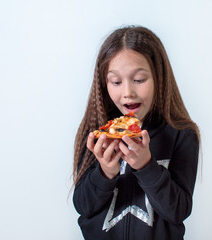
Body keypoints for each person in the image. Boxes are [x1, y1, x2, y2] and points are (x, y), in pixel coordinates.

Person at [72, 25, 200, 240]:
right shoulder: (95, 132)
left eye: (139, 80)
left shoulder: (182, 134)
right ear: (105, 84)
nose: (128, 92)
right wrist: (104, 172)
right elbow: (83, 206)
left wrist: (145, 166)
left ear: (159, 78)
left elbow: (179, 210)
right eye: (116, 82)